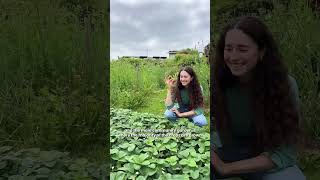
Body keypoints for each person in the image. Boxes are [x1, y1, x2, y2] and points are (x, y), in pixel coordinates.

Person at [210, 16, 306, 180]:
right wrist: (214, 157)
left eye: (242, 49)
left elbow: (285, 153)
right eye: (229, 48)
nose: (233, 57)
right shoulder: (217, 83)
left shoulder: (285, 86)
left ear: (261, 52)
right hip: (226, 151)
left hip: (264, 158)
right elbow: (208, 131)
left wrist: (227, 169)